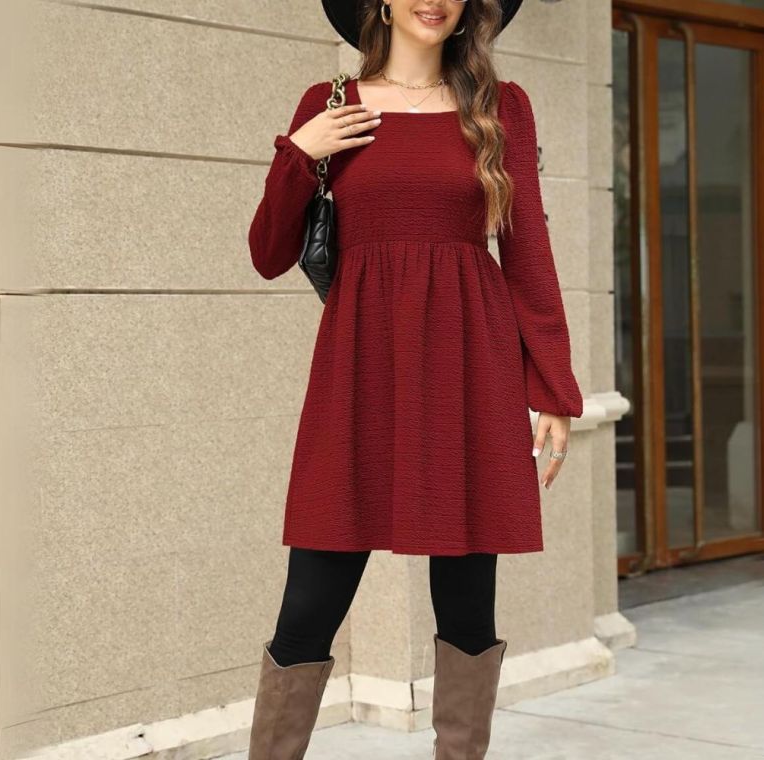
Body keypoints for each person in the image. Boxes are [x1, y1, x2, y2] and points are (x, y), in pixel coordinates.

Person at [245, 0, 584, 756]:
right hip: (358, 370)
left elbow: (528, 256)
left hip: (472, 369)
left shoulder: (501, 109)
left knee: (467, 609)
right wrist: (299, 151)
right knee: (309, 604)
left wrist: (553, 388)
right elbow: (268, 252)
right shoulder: (328, 106)